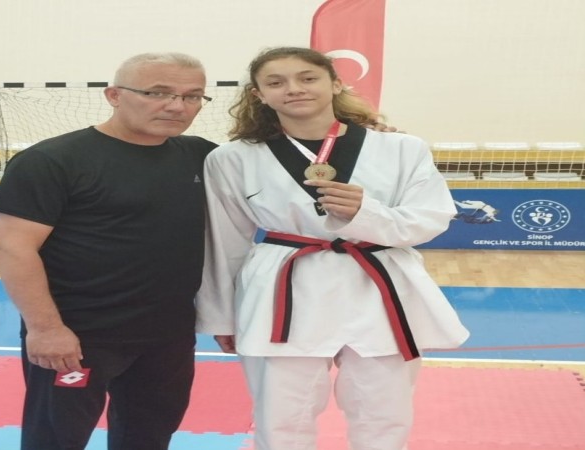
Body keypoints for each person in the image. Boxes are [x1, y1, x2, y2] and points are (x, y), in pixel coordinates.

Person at [195, 46, 470, 450]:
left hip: (377, 286)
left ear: (336, 84)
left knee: (384, 414)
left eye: (308, 78)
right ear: (259, 95)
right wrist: (221, 316)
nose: (294, 88)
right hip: (284, 292)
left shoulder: (402, 148)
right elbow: (224, 241)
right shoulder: (232, 158)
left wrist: (366, 214)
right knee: (281, 416)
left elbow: (430, 218)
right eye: (276, 82)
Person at [0, 52, 218, 450]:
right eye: (157, 92)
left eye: (192, 96)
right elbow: (12, 247)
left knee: (149, 438)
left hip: (168, 335)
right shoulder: (52, 160)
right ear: (114, 95)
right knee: (55, 440)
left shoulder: (201, 156)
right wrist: (45, 329)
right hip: (78, 335)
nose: (177, 106)